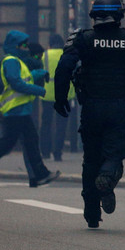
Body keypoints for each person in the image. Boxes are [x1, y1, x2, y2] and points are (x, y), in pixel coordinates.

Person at [53, 0, 125, 228]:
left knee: (90, 158)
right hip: (120, 107)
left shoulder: (82, 39)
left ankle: (92, 211)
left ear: (94, 16)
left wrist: (60, 97)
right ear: (120, 15)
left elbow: (63, 68)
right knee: (114, 154)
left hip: (91, 106)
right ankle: (107, 178)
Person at [0, 30, 60, 187]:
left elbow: (24, 78)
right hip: (15, 109)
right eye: (22, 45)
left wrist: (37, 74)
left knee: (26, 141)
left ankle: (39, 175)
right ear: (15, 46)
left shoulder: (16, 60)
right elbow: (16, 83)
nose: (26, 48)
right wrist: (38, 90)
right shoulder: (11, 61)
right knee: (8, 144)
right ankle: (40, 174)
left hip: (19, 109)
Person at [40, 34, 75, 162]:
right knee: (61, 125)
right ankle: (58, 153)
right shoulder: (68, 55)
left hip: (47, 94)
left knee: (46, 123)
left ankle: (45, 151)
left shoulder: (45, 56)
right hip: (64, 95)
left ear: (50, 43)